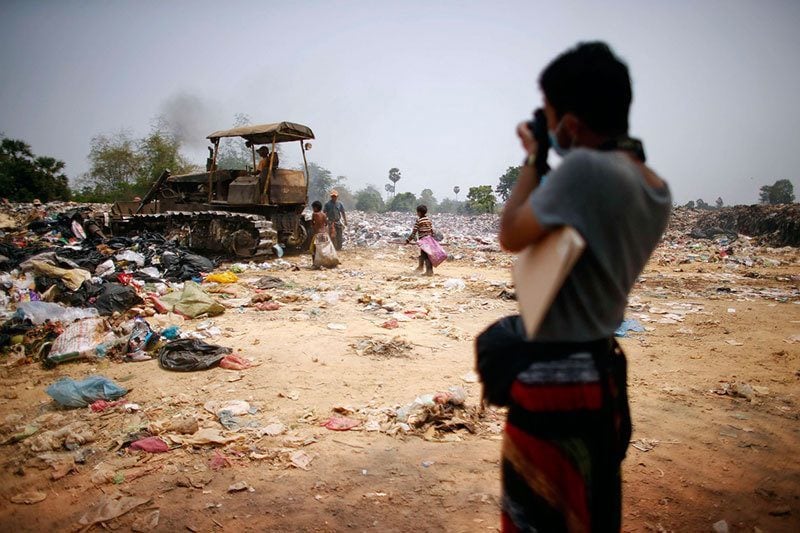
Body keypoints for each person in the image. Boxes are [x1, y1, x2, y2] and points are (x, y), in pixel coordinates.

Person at [494, 42, 671, 532]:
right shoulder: (653, 184)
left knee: (541, 520)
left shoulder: (588, 171)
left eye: (552, 119)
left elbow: (511, 233)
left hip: (556, 384)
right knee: (589, 517)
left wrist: (535, 158)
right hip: (603, 376)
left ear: (570, 125)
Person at [405, 204, 434, 276]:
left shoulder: (419, 221)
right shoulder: (428, 220)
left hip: (423, 241)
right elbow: (432, 231)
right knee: (427, 255)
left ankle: (428, 271)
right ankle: (423, 268)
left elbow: (414, 232)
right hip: (429, 240)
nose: (417, 213)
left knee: (425, 256)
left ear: (420, 212)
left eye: (417, 212)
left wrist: (408, 240)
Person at [309, 200, 328, 267]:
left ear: (316, 207)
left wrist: (314, 226)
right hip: (324, 234)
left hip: (317, 234)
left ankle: (315, 264)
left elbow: (312, 224)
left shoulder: (314, 214)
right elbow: (326, 223)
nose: (313, 209)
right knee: (323, 250)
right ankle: (323, 263)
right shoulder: (324, 214)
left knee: (313, 249)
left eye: (313, 208)